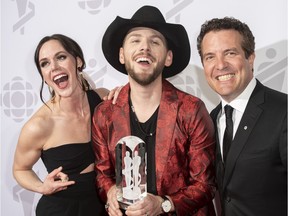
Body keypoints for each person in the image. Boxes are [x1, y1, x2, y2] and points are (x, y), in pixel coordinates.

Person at [92, 5, 216, 216]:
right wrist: (111, 193)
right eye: (135, 40)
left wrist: (164, 204)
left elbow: (205, 184)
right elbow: (102, 174)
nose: (145, 48)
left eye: (155, 41)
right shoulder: (105, 113)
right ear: (122, 55)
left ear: (168, 57)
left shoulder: (191, 110)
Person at [12, 34, 117, 216]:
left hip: (105, 204)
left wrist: (122, 98)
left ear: (78, 61)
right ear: (44, 77)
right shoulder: (39, 125)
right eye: (45, 63)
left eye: (60, 57)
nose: (54, 67)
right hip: (63, 210)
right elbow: (20, 169)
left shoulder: (101, 99)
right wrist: (42, 186)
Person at [196, 17, 287, 216]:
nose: (220, 65)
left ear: (251, 57)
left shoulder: (283, 111)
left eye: (230, 53)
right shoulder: (209, 120)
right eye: (210, 57)